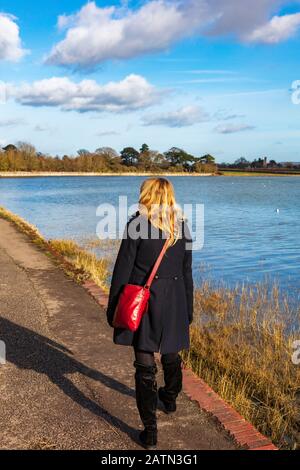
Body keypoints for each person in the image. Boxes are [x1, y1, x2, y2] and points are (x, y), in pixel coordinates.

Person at [106, 178, 194, 449]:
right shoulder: (182, 226)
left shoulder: (137, 225)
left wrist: (114, 310)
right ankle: (169, 397)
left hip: (144, 301)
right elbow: (187, 271)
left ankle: (151, 432)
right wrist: (188, 309)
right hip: (176, 300)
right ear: (169, 196)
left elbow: (122, 271)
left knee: (144, 366)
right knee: (171, 354)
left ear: (146, 195)